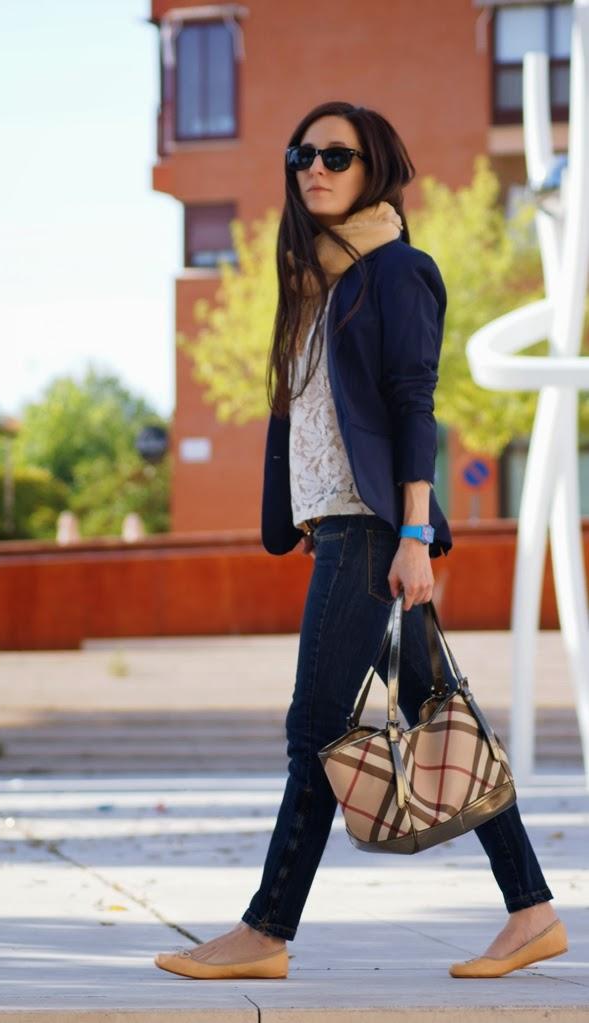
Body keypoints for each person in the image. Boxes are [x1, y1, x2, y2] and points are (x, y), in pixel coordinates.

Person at [154, 101, 568, 981]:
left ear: (373, 167)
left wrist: (413, 533)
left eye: (335, 155)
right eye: (301, 152)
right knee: (438, 716)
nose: (314, 167)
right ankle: (531, 910)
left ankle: (265, 931)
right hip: (334, 530)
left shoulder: (396, 271)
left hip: (372, 530)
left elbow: (416, 409)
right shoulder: (315, 284)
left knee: (314, 730)